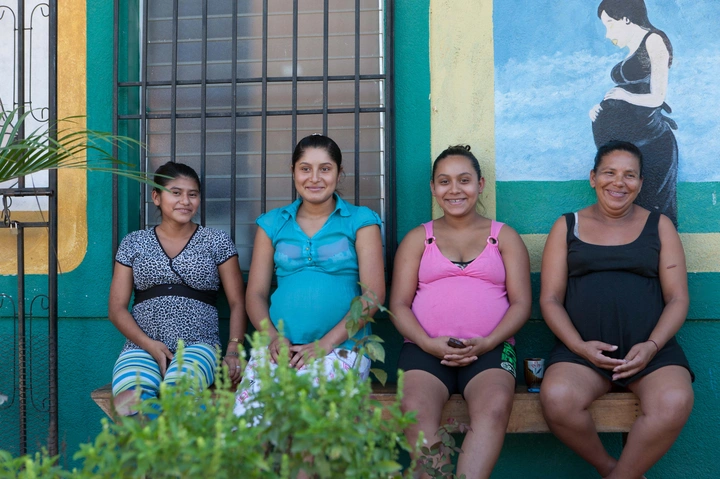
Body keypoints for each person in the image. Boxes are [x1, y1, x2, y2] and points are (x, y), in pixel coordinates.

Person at [539, 141, 694, 479]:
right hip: (581, 354)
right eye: (609, 172)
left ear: (640, 182)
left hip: (651, 353)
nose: (619, 183)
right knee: (558, 398)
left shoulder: (660, 225)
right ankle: (613, 470)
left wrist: (652, 347)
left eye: (630, 175)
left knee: (675, 401)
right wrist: (579, 347)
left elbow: (678, 299)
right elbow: (549, 299)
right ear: (593, 177)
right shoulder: (567, 226)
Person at [389, 145, 531, 479]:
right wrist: (426, 342)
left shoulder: (505, 237)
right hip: (424, 349)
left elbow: (522, 303)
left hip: (492, 349)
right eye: (444, 181)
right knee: (414, 408)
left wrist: (488, 341)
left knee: (495, 407)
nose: (454, 189)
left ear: (480, 184)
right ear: (433, 188)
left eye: (464, 180)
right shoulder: (417, 239)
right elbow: (397, 305)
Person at [235, 134, 385, 415]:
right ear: (293, 172)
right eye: (305, 168)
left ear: (340, 174)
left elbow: (373, 296)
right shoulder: (272, 223)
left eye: (325, 169)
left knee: (312, 432)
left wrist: (324, 345)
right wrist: (273, 338)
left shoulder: (361, 220)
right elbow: (254, 294)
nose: (314, 178)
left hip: (341, 349)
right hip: (279, 352)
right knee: (248, 428)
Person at [109, 162, 247, 416]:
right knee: (129, 399)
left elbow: (238, 301)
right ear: (156, 197)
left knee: (179, 394)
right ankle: (170, 444)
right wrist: (150, 345)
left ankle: (183, 442)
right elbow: (116, 308)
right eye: (176, 192)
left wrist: (233, 349)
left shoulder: (216, 241)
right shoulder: (134, 242)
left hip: (198, 344)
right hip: (141, 346)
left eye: (192, 194)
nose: (185, 201)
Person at [589, 0, 679, 226]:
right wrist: (599, 110)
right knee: (629, 220)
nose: (607, 33)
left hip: (652, 142)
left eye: (610, 24)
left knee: (654, 214)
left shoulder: (654, 40)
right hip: (630, 147)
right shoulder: (632, 49)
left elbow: (657, 97)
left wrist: (624, 97)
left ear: (626, 19)